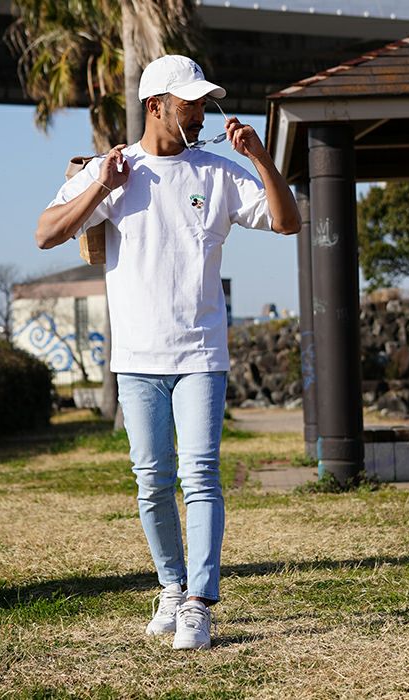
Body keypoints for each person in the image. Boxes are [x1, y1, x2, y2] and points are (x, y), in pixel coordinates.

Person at [36, 55, 301, 650]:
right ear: (155, 105)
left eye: (204, 102)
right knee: (152, 481)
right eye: (190, 103)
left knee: (200, 475)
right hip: (136, 358)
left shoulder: (220, 172)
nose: (201, 112)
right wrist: (101, 188)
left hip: (202, 354)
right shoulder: (116, 169)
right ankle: (173, 588)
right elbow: (46, 233)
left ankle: (200, 604)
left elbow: (288, 222)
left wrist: (260, 158)